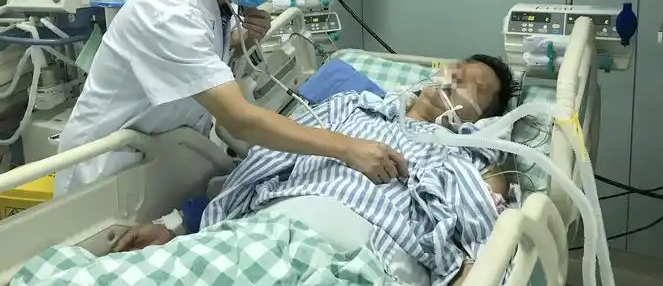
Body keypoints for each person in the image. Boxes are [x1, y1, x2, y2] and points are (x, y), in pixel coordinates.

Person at [54, 0, 407, 196]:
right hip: (105, 171)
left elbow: (198, 51)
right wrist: (347, 148)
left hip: (163, 152)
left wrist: (238, 42)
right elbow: (240, 121)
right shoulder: (170, 10)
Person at [112, 55, 517, 285]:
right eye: (458, 67)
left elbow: (483, 226)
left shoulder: (468, 153)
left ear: (484, 116)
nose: (456, 77)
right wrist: (178, 225)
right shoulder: (351, 105)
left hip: (361, 259)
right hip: (261, 231)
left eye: (476, 86)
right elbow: (263, 165)